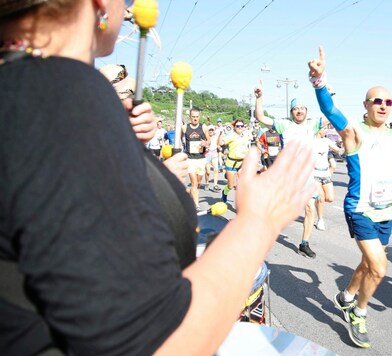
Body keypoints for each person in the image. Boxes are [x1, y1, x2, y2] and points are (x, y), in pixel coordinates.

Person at [0, 1, 316, 354]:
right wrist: (259, 220)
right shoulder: (57, 93)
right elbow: (159, 343)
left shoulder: (25, 87)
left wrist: (143, 167)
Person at [308, 47, 392, 348]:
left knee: (368, 262)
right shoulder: (355, 133)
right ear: (366, 105)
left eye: (388, 102)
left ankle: (345, 296)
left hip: (387, 210)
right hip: (360, 208)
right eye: (378, 101)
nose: (384, 106)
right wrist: (319, 82)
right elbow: (330, 112)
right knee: (379, 267)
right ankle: (359, 312)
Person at [255, 81, 324, 259]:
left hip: (307, 173)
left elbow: (331, 114)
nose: (299, 111)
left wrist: (329, 95)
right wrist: (259, 97)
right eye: (296, 108)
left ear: (306, 111)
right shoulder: (283, 125)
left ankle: (304, 244)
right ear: (291, 112)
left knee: (310, 208)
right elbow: (261, 117)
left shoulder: (313, 124)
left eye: (302, 108)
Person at [313, 125, 343, 231]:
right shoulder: (310, 141)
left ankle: (313, 199)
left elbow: (338, 150)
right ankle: (320, 220)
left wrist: (345, 146)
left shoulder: (326, 141)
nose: (326, 130)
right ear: (318, 129)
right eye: (324, 128)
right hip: (314, 173)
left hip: (325, 173)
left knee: (330, 198)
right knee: (320, 197)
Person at [217, 118, 252, 204]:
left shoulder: (246, 136)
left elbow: (247, 147)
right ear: (234, 127)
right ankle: (224, 193)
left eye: (241, 126)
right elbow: (221, 143)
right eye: (237, 126)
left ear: (244, 127)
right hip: (231, 163)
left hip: (241, 163)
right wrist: (221, 133)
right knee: (231, 185)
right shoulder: (231, 135)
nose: (239, 127)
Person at [182, 107, 210, 211]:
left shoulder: (203, 127)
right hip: (190, 158)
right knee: (194, 183)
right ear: (190, 117)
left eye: (197, 117)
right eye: (193, 117)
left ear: (199, 117)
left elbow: (209, 140)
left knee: (198, 183)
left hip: (201, 158)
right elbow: (180, 139)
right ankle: (196, 205)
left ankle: (192, 194)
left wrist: (206, 143)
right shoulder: (185, 128)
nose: (195, 119)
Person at [204, 126, 221, 192]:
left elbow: (220, 132)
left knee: (216, 170)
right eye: (210, 130)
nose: (211, 131)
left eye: (212, 130)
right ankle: (207, 183)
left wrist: (218, 147)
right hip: (207, 154)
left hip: (214, 154)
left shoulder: (216, 137)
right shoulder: (205, 137)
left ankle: (215, 185)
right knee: (208, 172)